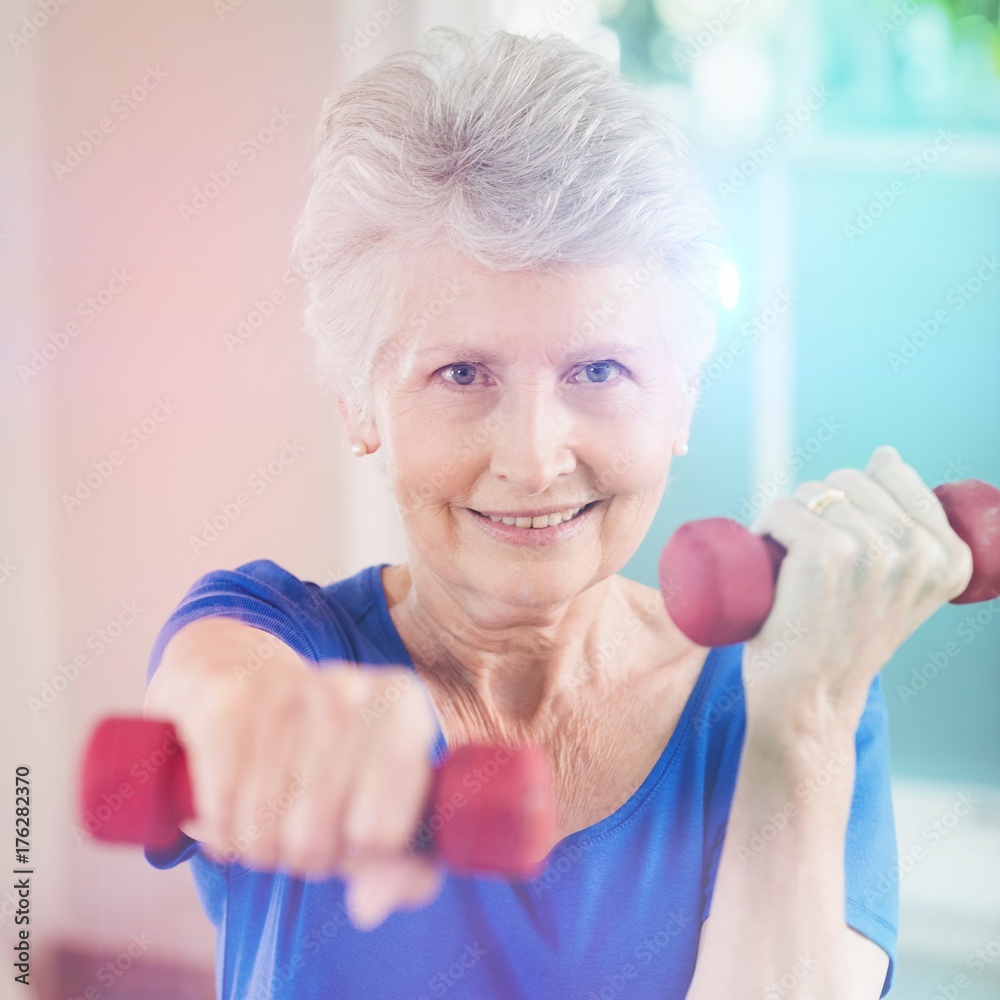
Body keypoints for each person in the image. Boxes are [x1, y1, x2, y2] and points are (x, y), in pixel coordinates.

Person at [142, 25, 973, 1000]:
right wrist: (285, 751)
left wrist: (804, 721)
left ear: (682, 398)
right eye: (460, 371)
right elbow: (216, 706)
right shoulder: (275, 635)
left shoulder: (798, 693)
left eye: (598, 369)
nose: (535, 457)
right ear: (358, 405)